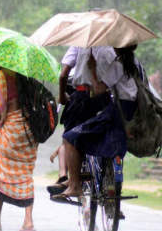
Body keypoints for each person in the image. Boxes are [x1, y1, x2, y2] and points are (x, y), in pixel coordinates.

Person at [52, 45, 139, 201]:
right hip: (124, 109)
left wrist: (92, 69)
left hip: (115, 109)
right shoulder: (132, 63)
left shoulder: (118, 64)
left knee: (71, 136)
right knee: (106, 140)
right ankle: (111, 191)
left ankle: (74, 185)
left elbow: (98, 89)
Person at [0, 58, 38, 231]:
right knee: (25, 171)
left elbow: (0, 111)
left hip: (12, 128)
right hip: (29, 130)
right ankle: (28, 222)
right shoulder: (22, 75)